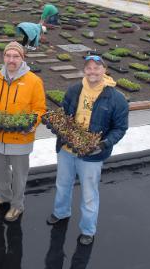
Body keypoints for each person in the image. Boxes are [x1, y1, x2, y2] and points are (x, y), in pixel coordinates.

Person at [47, 55, 129, 246]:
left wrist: (103, 144)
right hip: (67, 148)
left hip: (92, 155)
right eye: (89, 68)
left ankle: (88, 230)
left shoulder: (116, 98)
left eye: (96, 68)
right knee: (62, 184)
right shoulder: (75, 89)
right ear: (84, 70)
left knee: (89, 193)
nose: (92, 71)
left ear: (104, 69)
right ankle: (60, 213)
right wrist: (57, 126)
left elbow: (120, 128)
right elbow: (64, 113)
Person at [0, 41, 47, 222]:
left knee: (19, 175)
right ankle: (3, 196)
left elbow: (39, 109)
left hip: (20, 138)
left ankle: (17, 205)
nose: (11, 60)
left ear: (22, 58)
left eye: (16, 56)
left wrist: (31, 124)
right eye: (8, 56)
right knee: (0, 171)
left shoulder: (33, 81)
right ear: (3, 57)